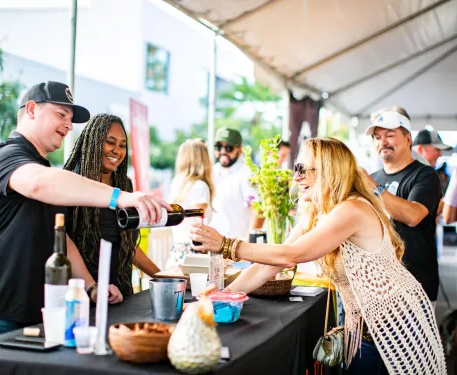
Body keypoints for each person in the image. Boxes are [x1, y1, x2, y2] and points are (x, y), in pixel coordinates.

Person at [190, 137, 446, 374]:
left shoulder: (352, 209)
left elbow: (292, 255)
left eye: (303, 169)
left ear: (329, 171)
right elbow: (267, 266)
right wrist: (219, 299)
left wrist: (226, 245)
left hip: (394, 327)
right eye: (297, 169)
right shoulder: (319, 212)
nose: (296, 177)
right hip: (366, 328)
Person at [0, 81, 170, 344]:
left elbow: (60, 239)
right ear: (32, 109)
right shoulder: (4, 156)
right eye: (61, 115)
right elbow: (38, 182)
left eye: (71, 120)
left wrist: (92, 286)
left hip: (35, 313)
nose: (69, 126)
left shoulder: (40, 165)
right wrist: (121, 197)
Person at [64, 113, 161, 300]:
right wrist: (93, 288)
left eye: (122, 145)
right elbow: (64, 246)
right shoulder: (71, 184)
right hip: (83, 297)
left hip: (122, 295)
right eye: (110, 142)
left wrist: (164, 276)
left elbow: (128, 246)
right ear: (92, 142)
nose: (117, 150)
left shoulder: (125, 185)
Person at [364, 108, 442, 305]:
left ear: (408, 139)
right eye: (377, 137)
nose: (383, 142)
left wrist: (373, 187)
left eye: (390, 135)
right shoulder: (373, 178)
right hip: (379, 286)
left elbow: (413, 215)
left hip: (416, 287)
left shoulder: (425, 175)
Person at [164, 139, 215, 268]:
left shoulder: (178, 184)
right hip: (194, 253)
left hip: (178, 251)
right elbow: (198, 225)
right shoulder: (200, 186)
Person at [209, 128, 261, 240]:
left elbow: (259, 210)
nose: (223, 151)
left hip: (235, 250)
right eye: (218, 147)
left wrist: (249, 244)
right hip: (212, 245)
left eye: (229, 148)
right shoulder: (211, 171)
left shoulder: (247, 173)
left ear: (240, 149)